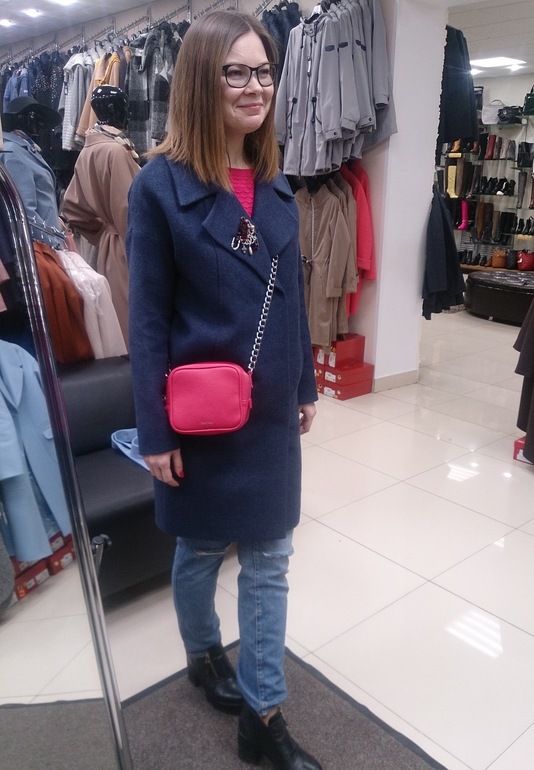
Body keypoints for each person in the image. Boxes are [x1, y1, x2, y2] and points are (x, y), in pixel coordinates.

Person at [125, 11, 320, 770]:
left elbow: (290, 300)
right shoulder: (159, 187)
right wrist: (154, 431)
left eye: (263, 71)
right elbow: (147, 322)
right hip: (199, 418)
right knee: (201, 547)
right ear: (201, 83)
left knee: (271, 559)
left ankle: (264, 715)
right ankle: (204, 652)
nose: (253, 86)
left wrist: (304, 382)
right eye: (234, 71)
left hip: (267, 417)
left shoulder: (276, 184)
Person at [61, 86, 141, 345]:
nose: (126, 112)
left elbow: (72, 207)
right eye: (123, 106)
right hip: (127, 249)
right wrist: (110, 232)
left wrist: (101, 234)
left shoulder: (89, 150)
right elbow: (128, 210)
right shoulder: (114, 151)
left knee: (116, 318)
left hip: (108, 248)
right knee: (129, 321)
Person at [0, 96, 66, 249]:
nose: (40, 122)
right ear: (20, 118)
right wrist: (53, 242)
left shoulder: (26, 148)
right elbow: (25, 213)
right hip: (38, 246)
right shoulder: (14, 153)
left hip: (44, 240)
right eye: (34, 116)